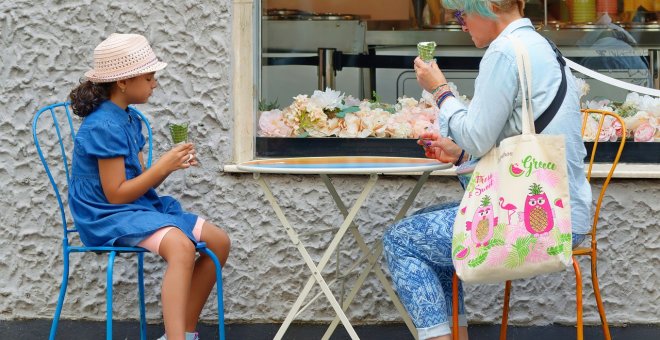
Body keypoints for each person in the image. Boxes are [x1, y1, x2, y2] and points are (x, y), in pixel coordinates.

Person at [382, 1, 592, 339]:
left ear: (489, 6)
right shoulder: (541, 47)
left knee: (401, 240)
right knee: (426, 226)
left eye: (462, 14)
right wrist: (459, 150)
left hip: (538, 223)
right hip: (567, 211)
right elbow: (504, 137)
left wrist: (440, 90)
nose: (462, 25)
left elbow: (476, 136)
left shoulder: (505, 52)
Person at [68, 33, 231, 340]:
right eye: (149, 76)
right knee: (181, 247)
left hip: (135, 206)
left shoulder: (129, 119)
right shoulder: (103, 125)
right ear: (123, 82)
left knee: (218, 242)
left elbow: (139, 181)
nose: (154, 82)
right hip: (104, 213)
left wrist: (170, 166)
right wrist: (163, 165)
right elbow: (115, 194)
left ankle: (184, 331)